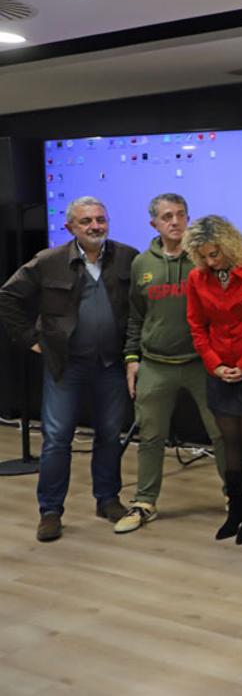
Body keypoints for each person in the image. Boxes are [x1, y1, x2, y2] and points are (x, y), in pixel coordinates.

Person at [0, 196, 137, 542]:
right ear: (70, 227)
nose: (95, 226)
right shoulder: (49, 261)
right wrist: (29, 339)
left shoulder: (127, 257)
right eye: (86, 221)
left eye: (100, 219)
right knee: (57, 440)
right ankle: (50, 511)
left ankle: (107, 499)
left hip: (111, 364)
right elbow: (8, 297)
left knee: (109, 435)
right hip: (65, 365)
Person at [116, 193, 226, 534]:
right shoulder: (141, 265)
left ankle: (235, 494)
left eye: (180, 215)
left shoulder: (203, 259)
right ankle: (144, 503)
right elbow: (136, 316)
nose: (175, 221)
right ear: (154, 224)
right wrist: (132, 358)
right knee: (150, 437)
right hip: (155, 364)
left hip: (201, 363)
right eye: (167, 217)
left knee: (221, 433)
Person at [183, 215, 242, 545]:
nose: (211, 261)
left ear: (229, 245)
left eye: (216, 254)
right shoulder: (197, 279)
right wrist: (214, 364)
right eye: (205, 256)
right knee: (228, 440)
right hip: (218, 370)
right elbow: (197, 327)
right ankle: (234, 512)